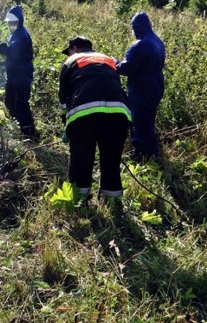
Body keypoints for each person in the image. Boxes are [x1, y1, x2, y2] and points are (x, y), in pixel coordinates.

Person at [59, 36, 131, 199]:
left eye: (68, 51)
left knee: (81, 159)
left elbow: (63, 100)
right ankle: (113, 202)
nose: (68, 55)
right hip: (119, 113)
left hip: (84, 114)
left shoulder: (70, 62)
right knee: (111, 161)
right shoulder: (107, 60)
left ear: (75, 48)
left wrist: (66, 126)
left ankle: (80, 201)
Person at [116, 11, 166, 162]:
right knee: (148, 120)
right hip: (156, 84)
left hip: (141, 87)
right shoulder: (158, 41)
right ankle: (151, 152)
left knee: (138, 121)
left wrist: (115, 63)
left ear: (137, 27)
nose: (133, 32)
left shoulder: (140, 45)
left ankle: (141, 154)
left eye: (133, 28)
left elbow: (128, 68)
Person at [0, 5, 36, 140]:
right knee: (9, 101)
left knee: (21, 103)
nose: (11, 24)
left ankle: (29, 134)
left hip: (22, 75)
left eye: (13, 22)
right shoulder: (14, 34)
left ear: (19, 21)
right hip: (14, 75)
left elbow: (11, 52)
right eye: (9, 22)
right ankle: (17, 126)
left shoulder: (21, 35)